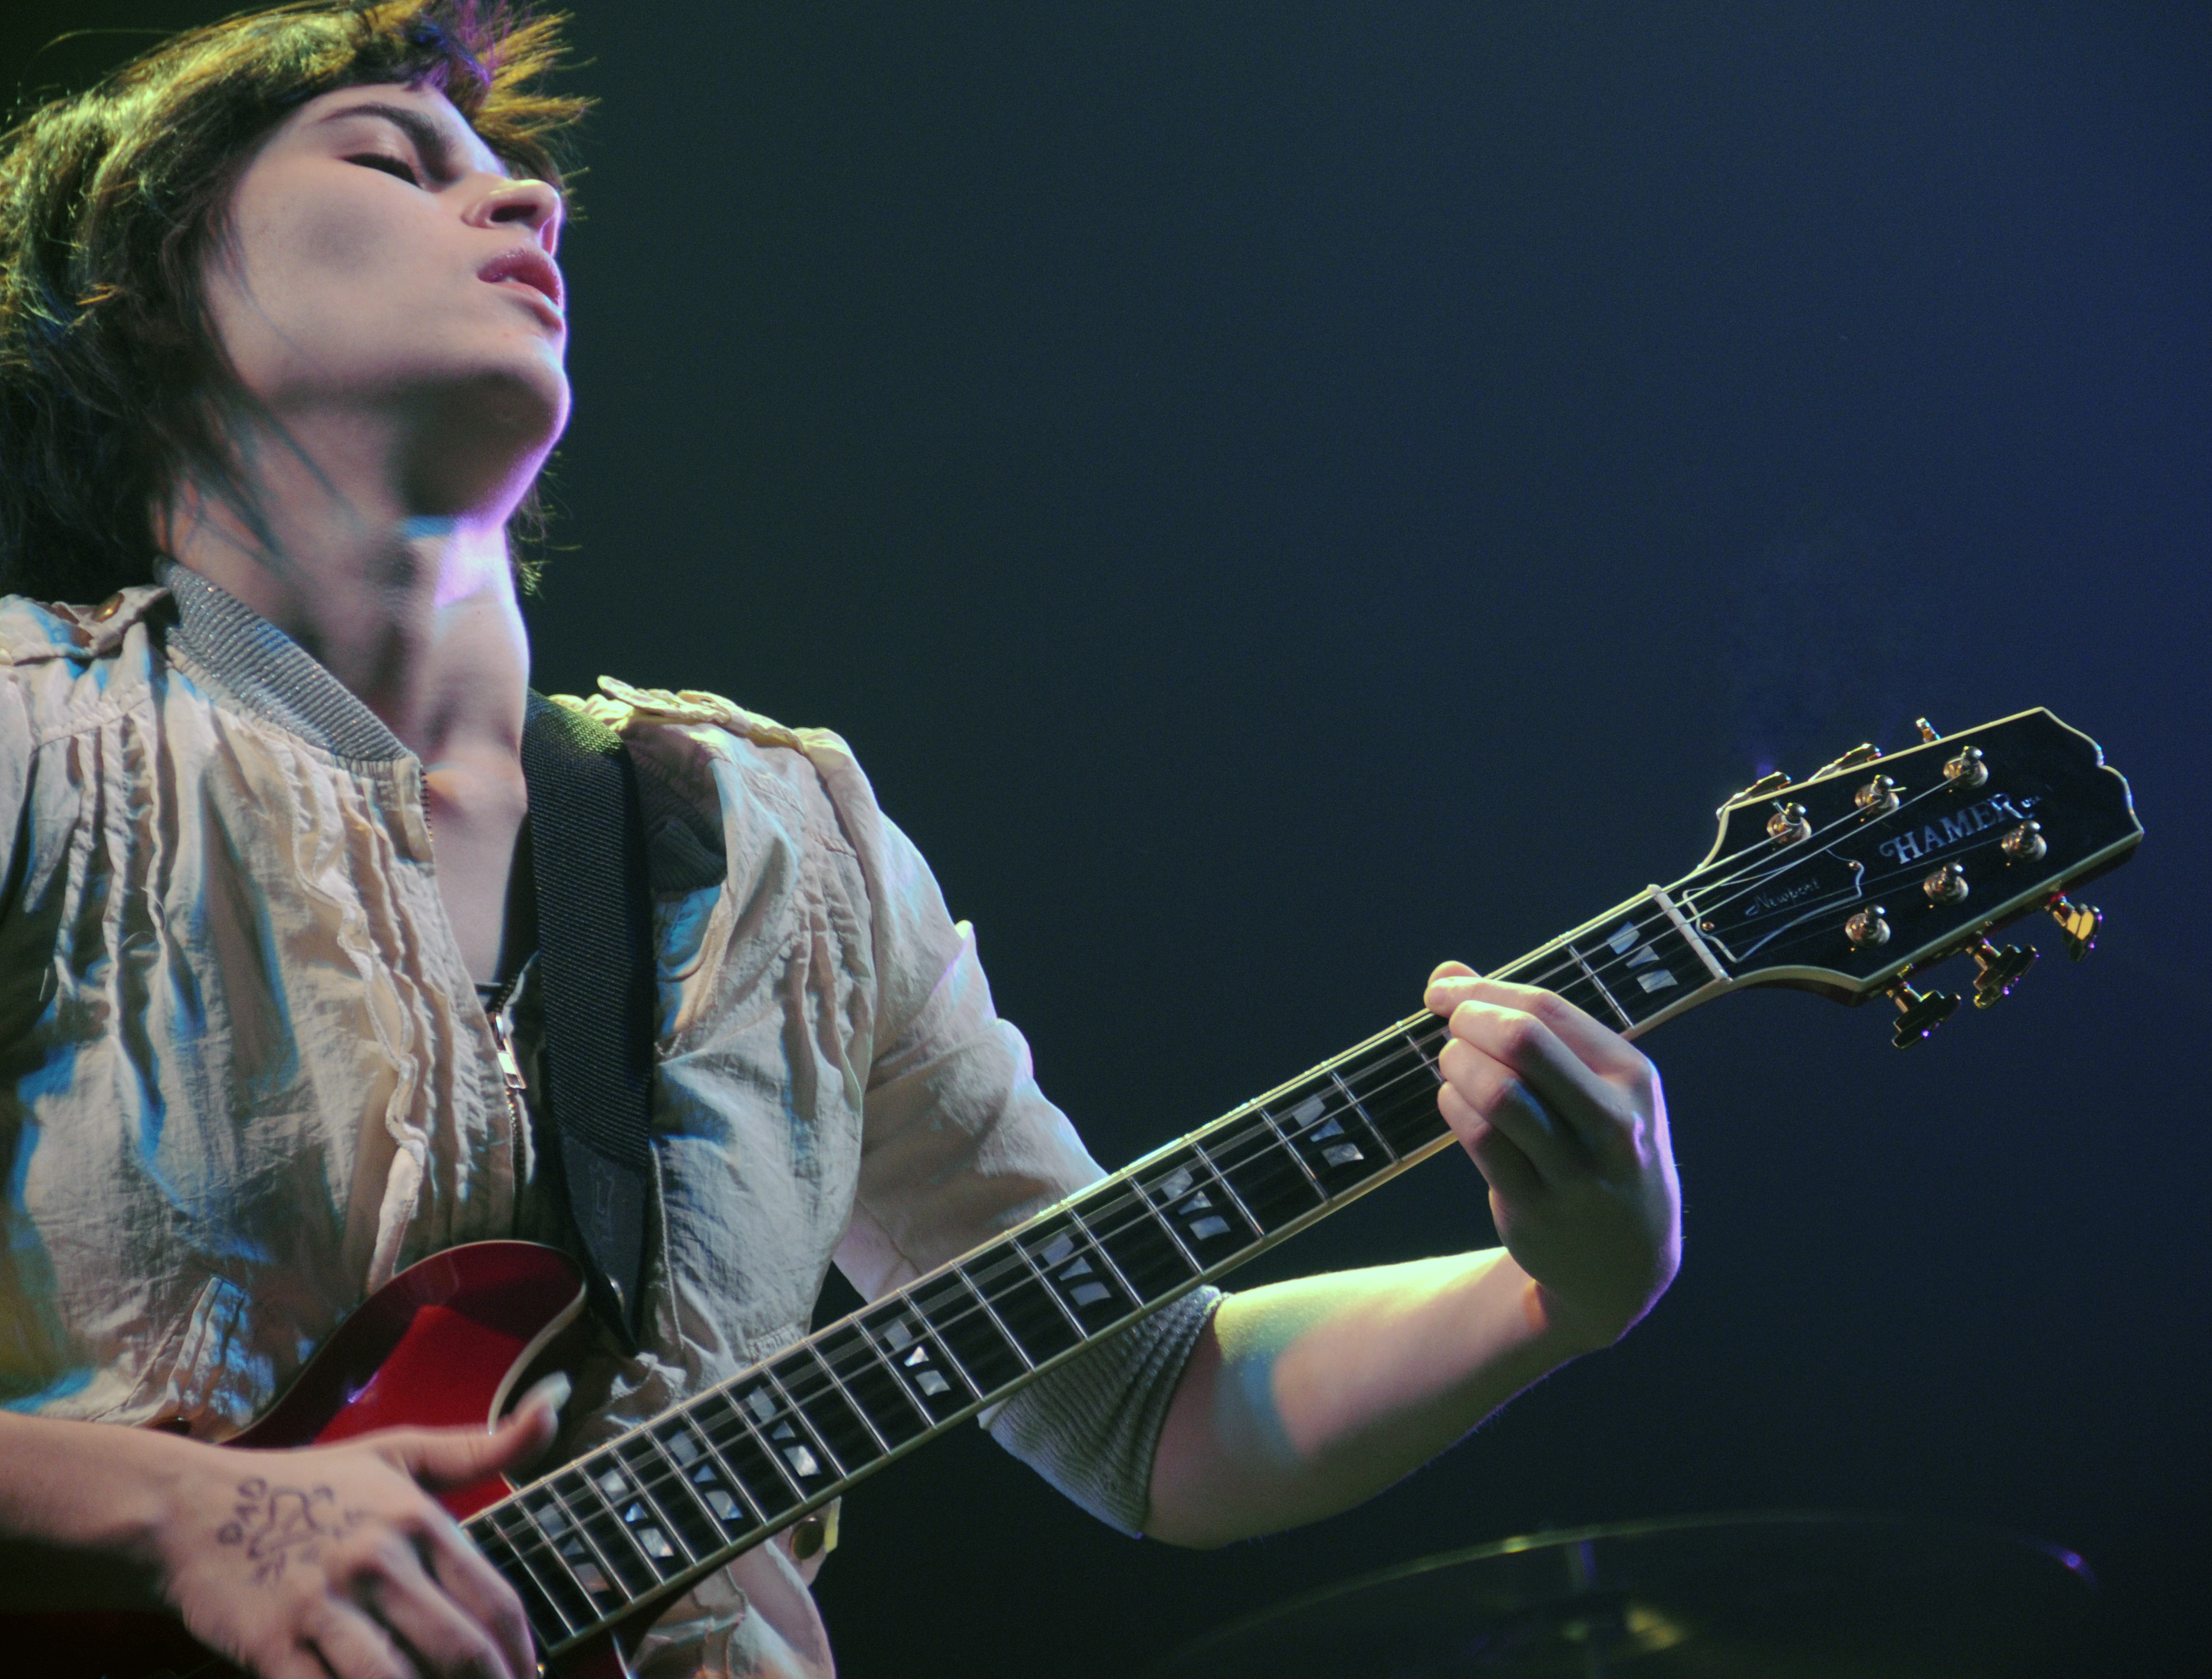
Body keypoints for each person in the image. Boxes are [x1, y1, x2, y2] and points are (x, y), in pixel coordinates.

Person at [0, 5, 1681, 1676]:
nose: (526, 200)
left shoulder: (774, 840)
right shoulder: (37, 742)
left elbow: (1151, 1401)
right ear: (139, 294)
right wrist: (180, 1513)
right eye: (393, 158)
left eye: (507, 169)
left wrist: (1557, 1294)